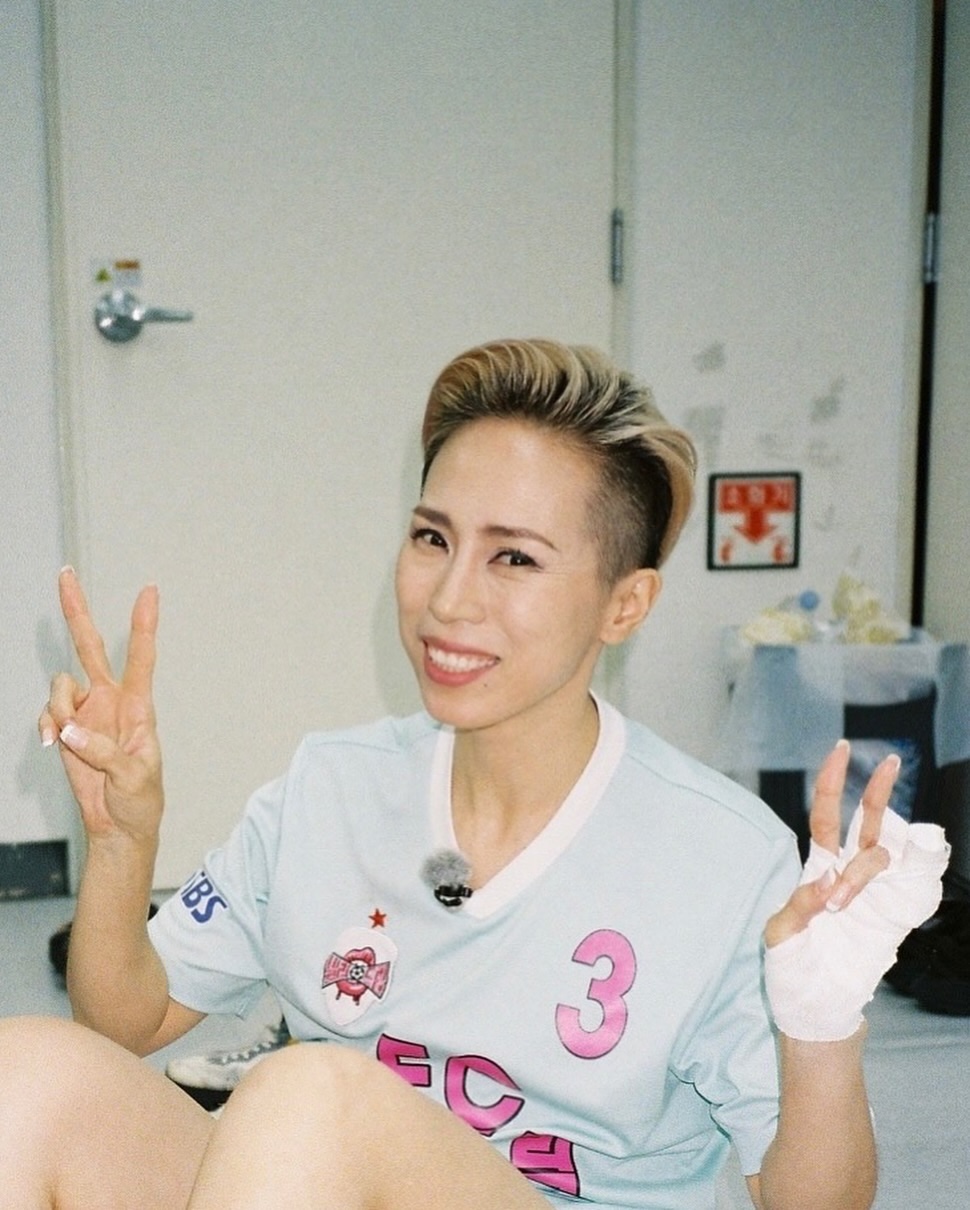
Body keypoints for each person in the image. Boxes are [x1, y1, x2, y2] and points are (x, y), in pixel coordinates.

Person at [0, 339, 948, 1209]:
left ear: (625, 605)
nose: (449, 599)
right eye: (432, 538)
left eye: (514, 558)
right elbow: (125, 1022)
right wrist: (121, 842)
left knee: (306, 1093)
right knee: (27, 1075)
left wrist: (821, 1027)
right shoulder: (330, 791)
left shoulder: (722, 859)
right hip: (320, 1178)